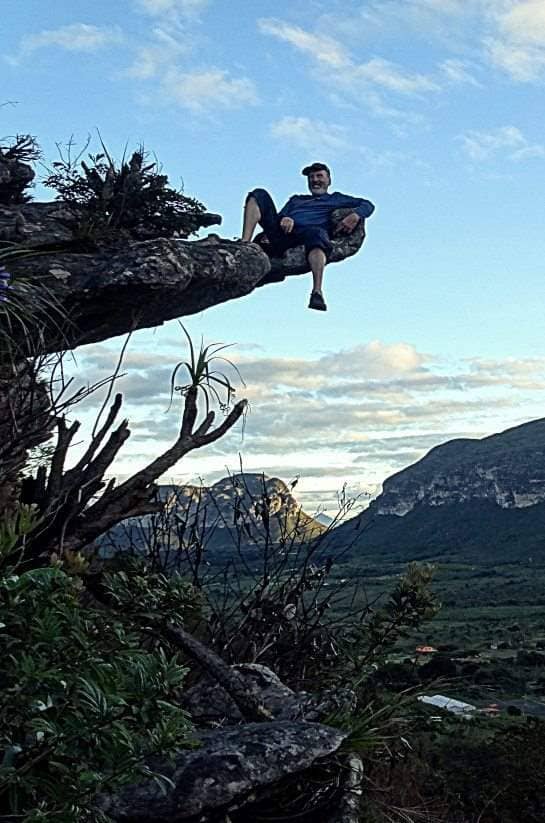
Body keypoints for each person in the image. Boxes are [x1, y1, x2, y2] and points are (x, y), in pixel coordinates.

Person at [242, 162, 374, 311]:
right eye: (311, 177)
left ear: (329, 180)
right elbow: (280, 217)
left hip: (308, 235)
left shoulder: (336, 199)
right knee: (258, 194)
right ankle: (244, 244)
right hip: (284, 234)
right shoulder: (296, 200)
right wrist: (285, 218)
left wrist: (356, 215)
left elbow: (368, 204)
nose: (315, 180)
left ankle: (317, 291)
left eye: (319, 176)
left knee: (317, 233)